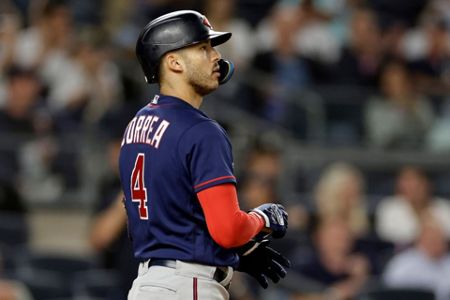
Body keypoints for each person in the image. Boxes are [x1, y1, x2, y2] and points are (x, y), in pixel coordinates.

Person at [118, 10, 290, 300]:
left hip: (147, 284)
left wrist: (229, 253)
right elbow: (229, 230)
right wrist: (262, 218)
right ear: (173, 62)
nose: (216, 57)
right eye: (203, 48)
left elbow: (156, 217)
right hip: (189, 286)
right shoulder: (201, 131)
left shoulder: (136, 125)